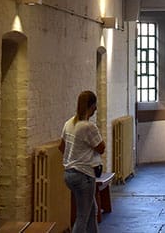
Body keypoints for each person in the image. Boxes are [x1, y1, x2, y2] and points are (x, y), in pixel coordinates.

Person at [59, 90, 105, 233]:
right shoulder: (88, 126)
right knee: (82, 216)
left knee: (92, 210)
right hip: (83, 175)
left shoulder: (69, 123)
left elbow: (61, 147)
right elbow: (101, 148)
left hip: (69, 173)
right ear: (91, 106)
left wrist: (75, 156)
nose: (96, 109)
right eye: (95, 105)